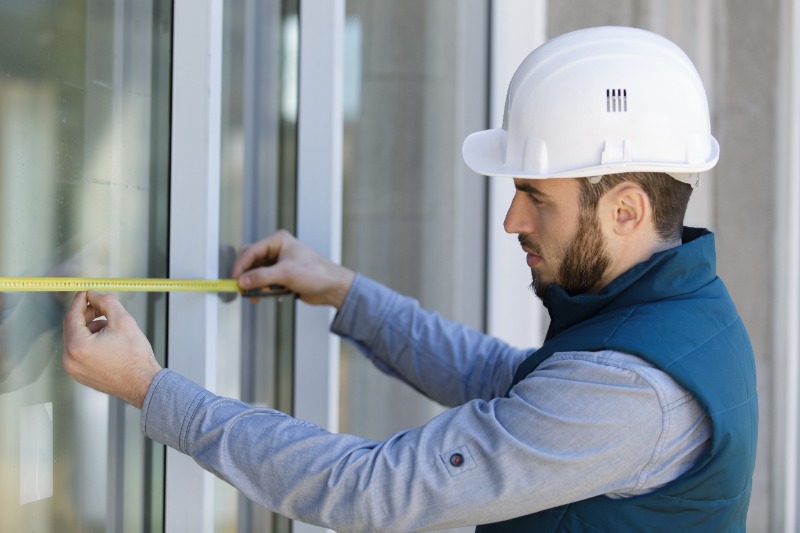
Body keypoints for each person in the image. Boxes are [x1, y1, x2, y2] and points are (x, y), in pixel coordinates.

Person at [62, 26, 757, 532]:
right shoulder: (677, 312)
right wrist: (343, 290)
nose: (511, 219)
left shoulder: (631, 392)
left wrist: (152, 388)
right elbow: (506, 379)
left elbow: (373, 490)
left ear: (626, 211)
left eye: (536, 197)